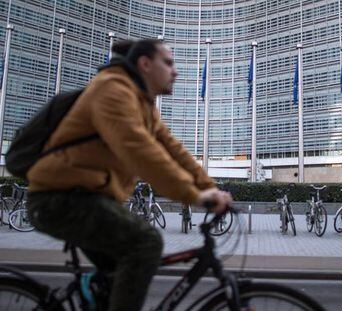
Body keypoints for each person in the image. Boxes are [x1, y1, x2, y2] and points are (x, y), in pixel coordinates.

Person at [27, 38, 233, 311]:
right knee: (145, 243)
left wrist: (210, 186)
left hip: (88, 197)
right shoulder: (112, 90)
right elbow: (141, 151)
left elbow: (172, 150)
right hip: (59, 200)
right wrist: (193, 195)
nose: (176, 71)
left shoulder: (142, 103)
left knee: (118, 276)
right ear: (145, 64)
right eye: (169, 63)